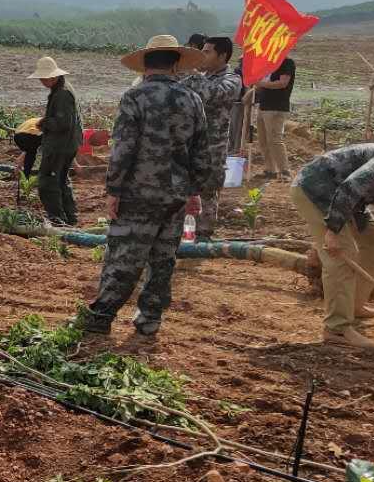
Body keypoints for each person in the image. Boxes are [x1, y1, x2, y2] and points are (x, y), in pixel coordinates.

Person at [76, 36, 209, 337]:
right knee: (163, 259)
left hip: (138, 194)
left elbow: (123, 149)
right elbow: (202, 152)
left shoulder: (134, 98)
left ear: (145, 65)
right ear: (176, 64)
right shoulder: (192, 99)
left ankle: (101, 317)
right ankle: (150, 318)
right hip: (175, 195)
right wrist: (194, 191)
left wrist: (114, 190)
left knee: (124, 257)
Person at [290, 144, 374, 348]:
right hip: (315, 192)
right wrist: (333, 230)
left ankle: (354, 305)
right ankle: (337, 328)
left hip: (349, 201)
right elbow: (350, 188)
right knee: (342, 254)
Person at [185, 36, 243, 240]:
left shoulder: (232, 80)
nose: (203, 55)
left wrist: (194, 74)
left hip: (212, 148)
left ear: (223, 56)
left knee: (207, 192)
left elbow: (212, 94)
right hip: (190, 145)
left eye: (207, 51)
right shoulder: (198, 77)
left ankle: (203, 236)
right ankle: (187, 233)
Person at [31, 55, 82, 226]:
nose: (41, 82)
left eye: (43, 78)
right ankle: (70, 218)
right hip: (67, 144)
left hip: (60, 146)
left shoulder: (62, 94)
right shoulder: (63, 89)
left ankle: (58, 220)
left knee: (47, 182)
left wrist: (44, 123)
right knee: (61, 180)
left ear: (52, 77)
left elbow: (63, 123)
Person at [254, 56, 296, 180]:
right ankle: (270, 169)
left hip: (276, 107)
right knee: (263, 140)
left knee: (275, 139)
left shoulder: (286, 62)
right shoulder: (269, 63)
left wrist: (261, 83)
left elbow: (282, 83)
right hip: (263, 106)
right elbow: (263, 83)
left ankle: (284, 171)